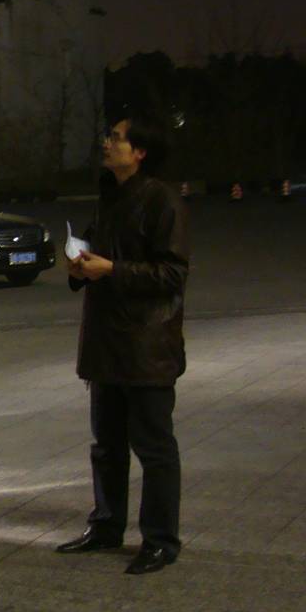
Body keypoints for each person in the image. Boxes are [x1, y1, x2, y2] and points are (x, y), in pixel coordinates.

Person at [58, 116, 189, 575]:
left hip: (147, 345)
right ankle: (107, 524)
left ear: (140, 152)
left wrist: (111, 269)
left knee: (153, 447)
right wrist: (80, 266)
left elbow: (172, 274)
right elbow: (101, 255)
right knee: (106, 444)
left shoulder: (161, 200)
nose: (107, 143)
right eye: (109, 137)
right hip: (107, 343)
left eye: (116, 138)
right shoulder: (112, 196)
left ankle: (160, 540)